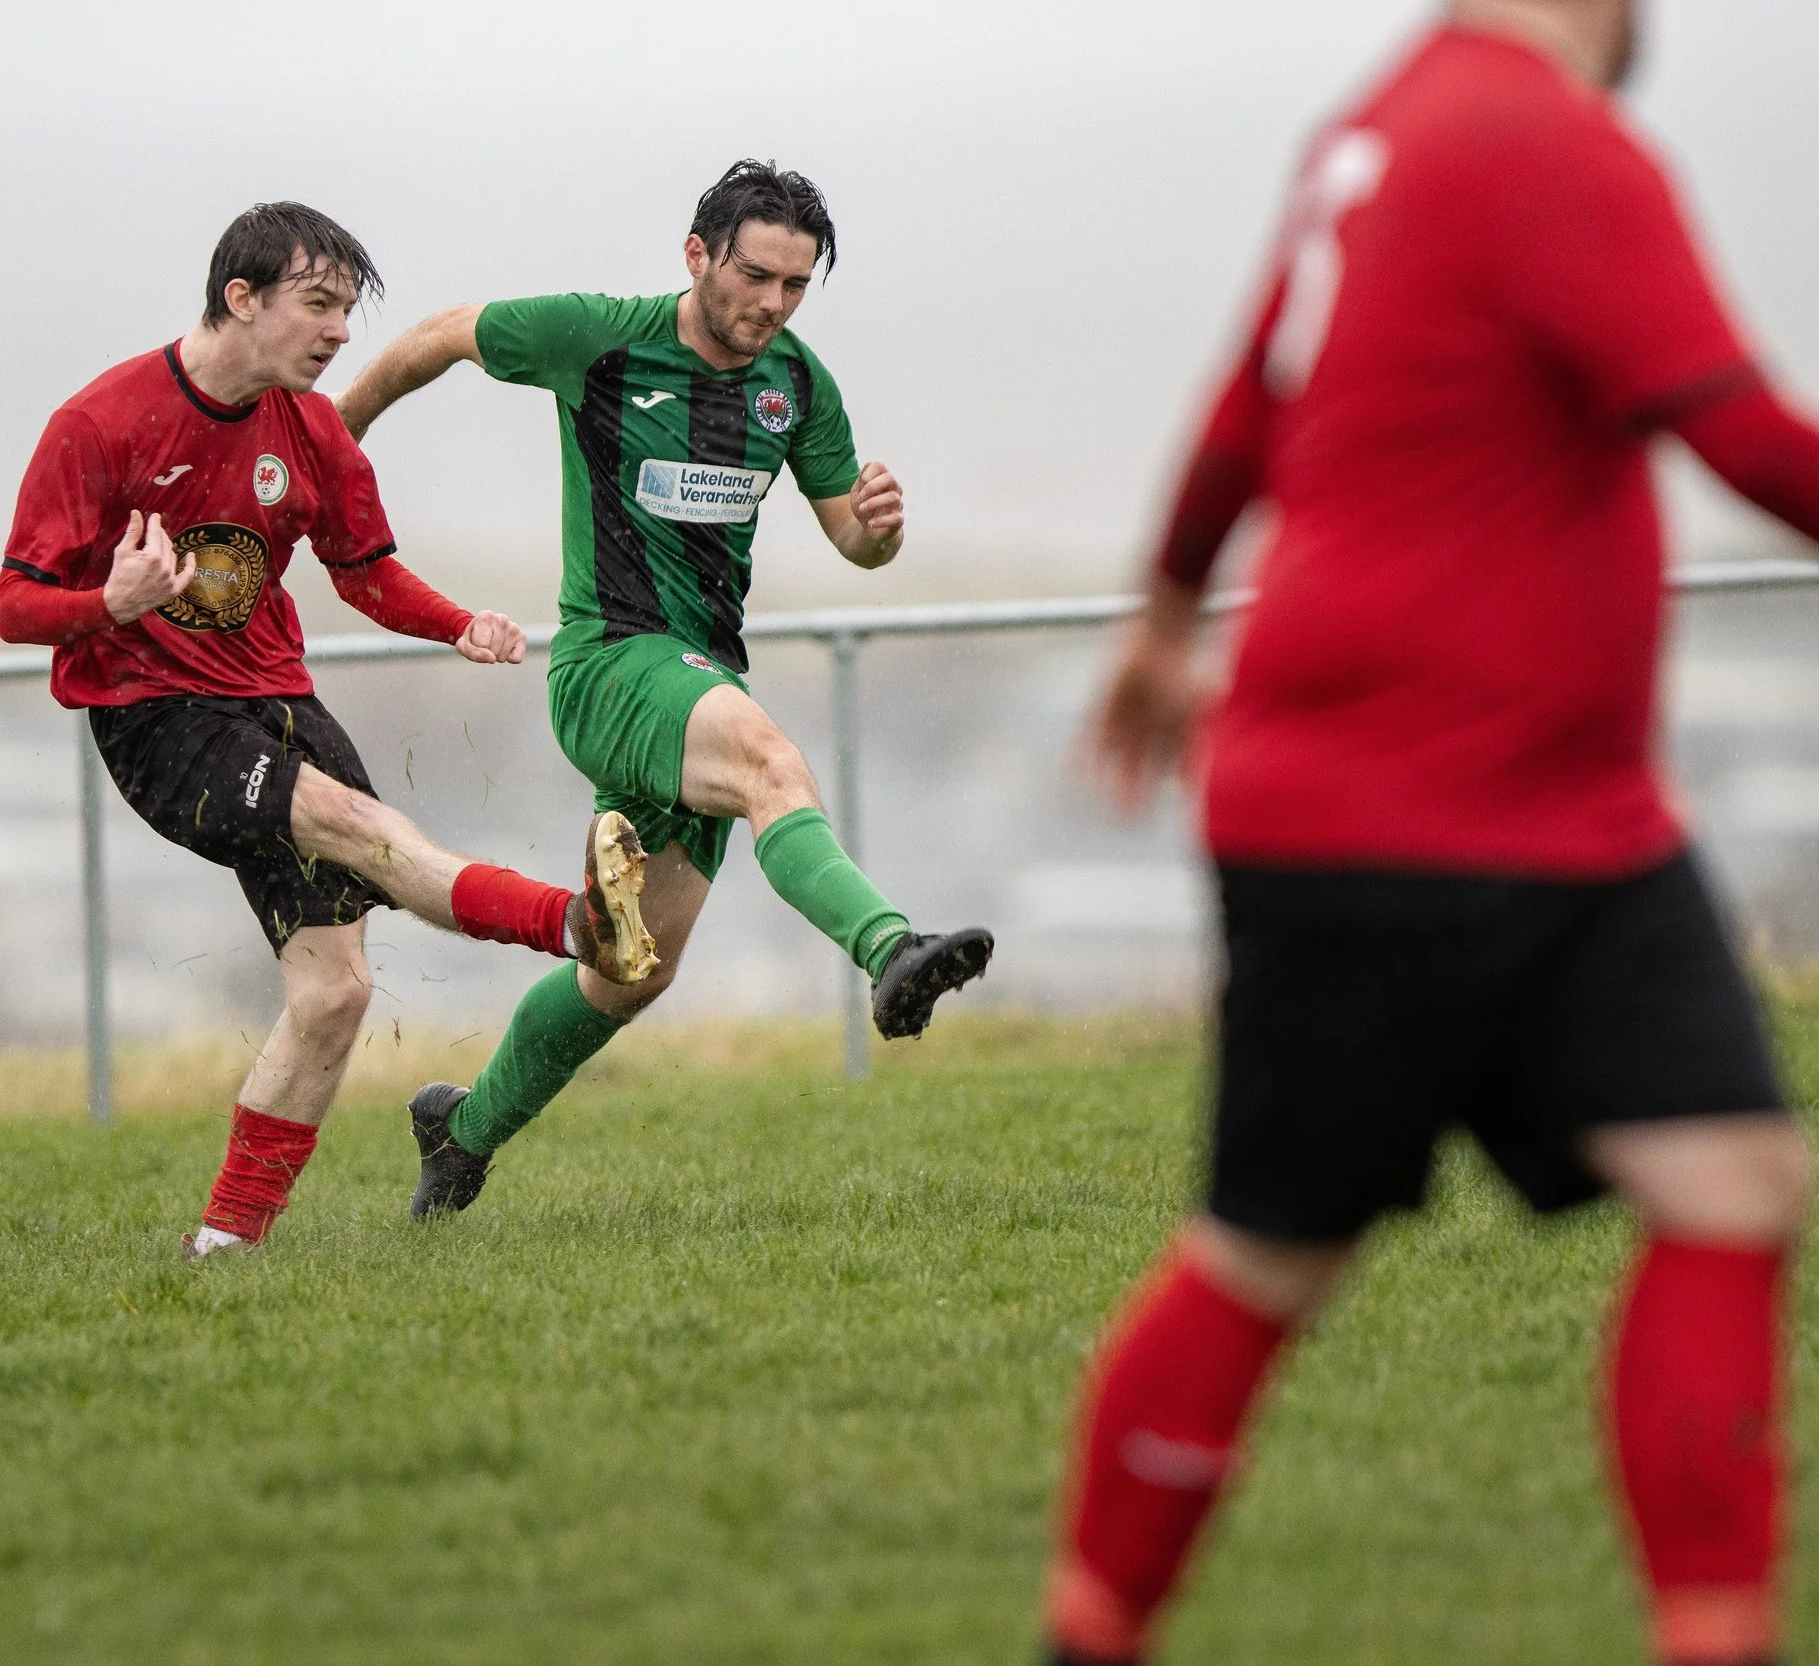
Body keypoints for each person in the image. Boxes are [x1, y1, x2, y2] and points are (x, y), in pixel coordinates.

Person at [1047, 4, 1819, 1662]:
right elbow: (1751, 436)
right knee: (1272, 1251)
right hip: (1439, 801)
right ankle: (1090, 1631)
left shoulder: (1376, 133)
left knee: (1728, 1175)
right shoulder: (1552, 143)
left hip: (1528, 810)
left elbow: (1245, 411)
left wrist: (1171, 617)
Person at [0, 201, 656, 1261]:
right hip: (157, 721)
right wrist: (107, 605)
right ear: (239, 298)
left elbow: (364, 570)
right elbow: (13, 606)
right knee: (356, 822)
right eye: (319, 304)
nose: (341, 331)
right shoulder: (102, 423)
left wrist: (457, 623)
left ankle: (225, 1244)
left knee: (335, 992)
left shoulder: (310, 430)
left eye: (350, 309)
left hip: (276, 701)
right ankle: (575, 923)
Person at [335, 160, 995, 1219]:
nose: (770, 303)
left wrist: (878, 530)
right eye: (753, 275)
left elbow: (848, 539)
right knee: (775, 765)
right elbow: (440, 336)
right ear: (697, 256)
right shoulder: (597, 336)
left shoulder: (797, 384)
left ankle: (460, 1135)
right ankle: (891, 946)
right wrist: (333, 441)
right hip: (608, 662)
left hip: (695, 683)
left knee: (626, 973)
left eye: (794, 284)